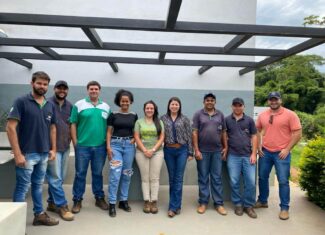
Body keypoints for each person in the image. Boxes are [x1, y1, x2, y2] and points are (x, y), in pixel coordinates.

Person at [6, 71, 59, 226]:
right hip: (27, 154)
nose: (42, 86)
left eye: (45, 84)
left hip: (44, 154)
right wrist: (17, 154)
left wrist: (53, 149)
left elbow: (53, 128)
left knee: (38, 186)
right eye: (39, 83)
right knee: (23, 188)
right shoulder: (21, 101)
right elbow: (10, 127)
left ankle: (39, 215)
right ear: (32, 83)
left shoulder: (50, 105)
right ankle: (14, 223)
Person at [255, 91, 302, 220]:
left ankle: (284, 208)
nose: (273, 102)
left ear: (280, 100)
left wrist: (287, 149)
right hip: (265, 152)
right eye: (271, 99)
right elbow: (257, 130)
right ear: (268, 101)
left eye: (276, 99)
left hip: (282, 154)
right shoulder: (263, 115)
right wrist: (259, 145)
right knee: (262, 177)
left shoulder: (290, 115)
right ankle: (263, 201)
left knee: (283, 181)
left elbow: (297, 133)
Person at [70, 81, 111, 213]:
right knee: (80, 174)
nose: (94, 91)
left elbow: (109, 127)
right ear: (87, 90)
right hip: (83, 147)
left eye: (96, 89)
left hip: (100, 147)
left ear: (99, 91)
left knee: (97, 174)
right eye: (91, 89)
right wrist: (75, 142)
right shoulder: (79, 104)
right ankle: (77, 200)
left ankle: (99, 198)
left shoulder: (106, 106)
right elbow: (73, 124)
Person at [192, 93, 227, 215]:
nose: (210, 102)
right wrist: (196, 150)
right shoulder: (198, 114)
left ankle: (219, 203)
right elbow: (194, 133)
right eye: (207, 100)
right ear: (204, 102)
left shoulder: (220, 114)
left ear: (215, 102)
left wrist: (225, 147)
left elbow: (223, 132)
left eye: (212, 100)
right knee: (203, 178)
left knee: (216, 178)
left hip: (217, 151)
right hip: (203, 152)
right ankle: (203, 202)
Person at [106, 89, 138, 217]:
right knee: (115, 174)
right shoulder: (113, 115)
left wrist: (135, 139)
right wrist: (108, 147)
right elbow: (108, 132)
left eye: (127, 101)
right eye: (122, 101)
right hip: (115, 146)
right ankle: (112, 203)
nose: (125, 103)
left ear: (130, 101)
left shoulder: (134, 115)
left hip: (129, 147)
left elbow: (136, 132)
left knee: (127, 174)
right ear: (119, 102)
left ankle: (123, 201)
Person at [46, 80, 74, 221]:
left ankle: (51, 203)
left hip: (65, 147)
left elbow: (71, 125)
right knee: (55, 178)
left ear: (67, 90)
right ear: (54, 89)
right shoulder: (47, 103)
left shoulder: (70, 106)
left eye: (64, 88)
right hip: (52, 148)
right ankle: (62, 206)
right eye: (59, 88)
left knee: (60, 178)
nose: (62, 90)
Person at [225, 98, 258, 219]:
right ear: (232, 107)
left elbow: (254, 136)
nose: (237, 108)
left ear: (244, 106)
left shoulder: (249, 120)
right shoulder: (227, 120)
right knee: (234, 181)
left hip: (248, 155)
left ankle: (248, 205)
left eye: (240, 105)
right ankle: (238, 204)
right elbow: (224, 135)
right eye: (235, 106)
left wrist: (254, 153)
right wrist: (225, 150)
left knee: (250, 182)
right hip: (233, 156)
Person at [161, 97, 193, 218]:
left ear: (179, 106)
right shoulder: (163, 119)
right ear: (169, 106)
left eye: (176, 104)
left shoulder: (185, 119)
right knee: (172, 178)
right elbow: (160, 135)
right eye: (172, 104)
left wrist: (190, 152)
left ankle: (173, 207)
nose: (174, 106)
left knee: (178, 178)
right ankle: (176, 205)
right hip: (168, 150)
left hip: (182, 150)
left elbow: (189, 136)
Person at [134, 100, 164, 214]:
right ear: (144, 109)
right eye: (147, 108)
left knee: (154, 178)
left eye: (151, 108)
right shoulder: (139, 122)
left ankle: (154, 201)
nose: (149, 110)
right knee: (145, 178)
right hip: (142, 152)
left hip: (157, 152)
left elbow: (162, 137)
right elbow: (136, 136)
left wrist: (153, 150)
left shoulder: (159, 122)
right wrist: (145, 150)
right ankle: (147, 201)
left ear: (154, 109)